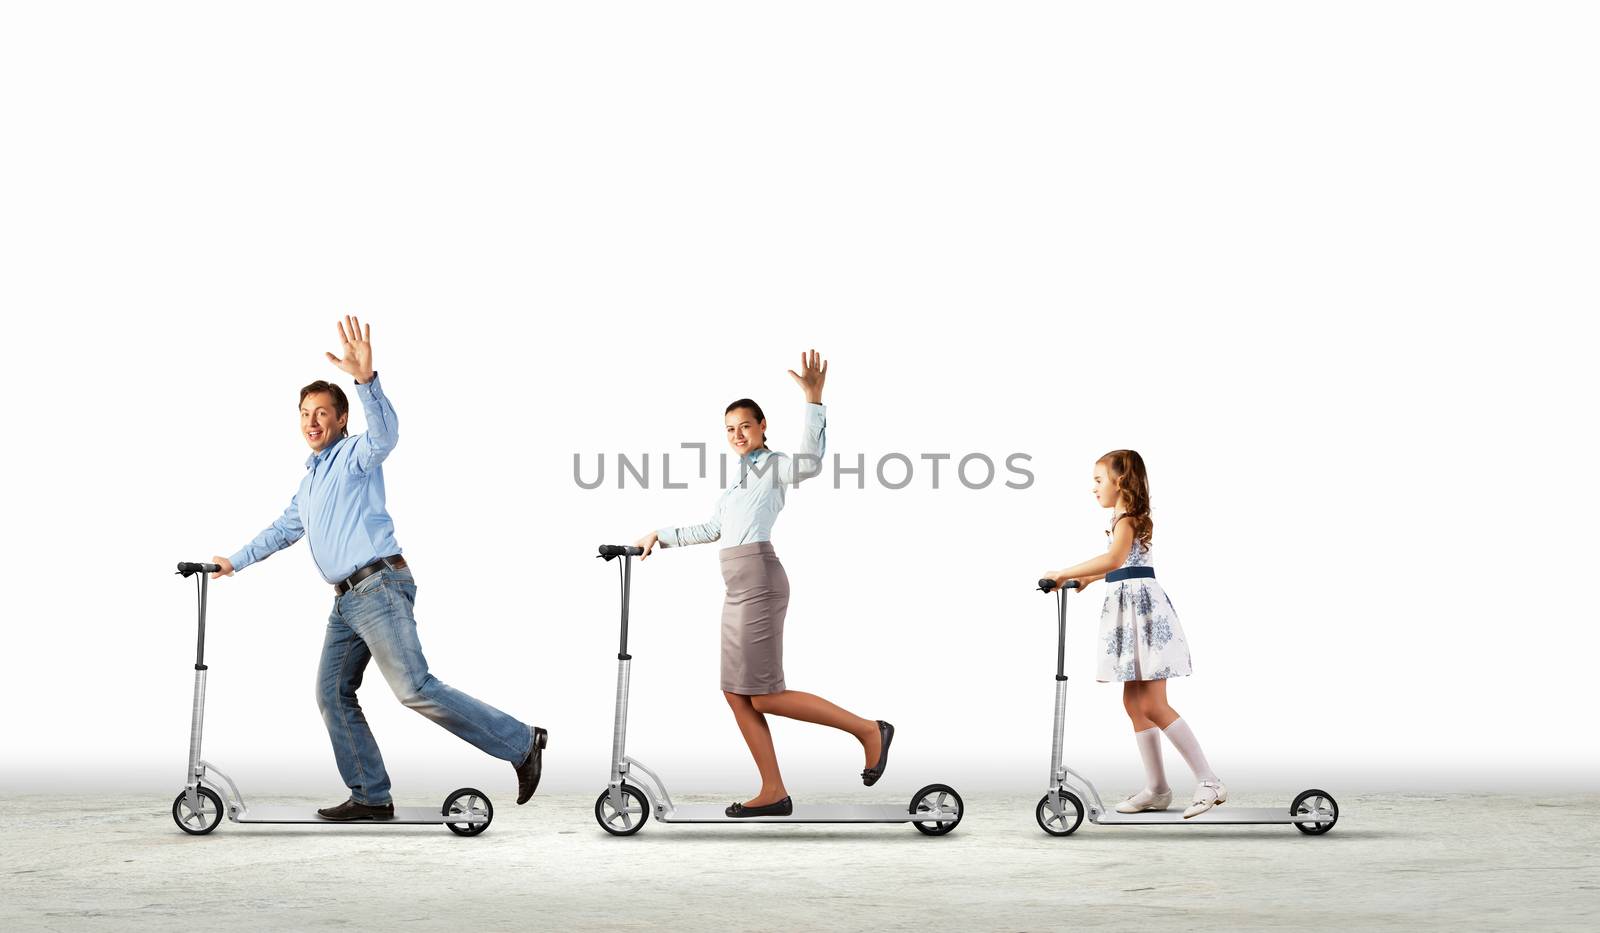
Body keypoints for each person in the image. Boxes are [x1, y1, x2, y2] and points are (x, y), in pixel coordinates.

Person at [210, 316, 547, 820]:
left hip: (379, 587)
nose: (312, 422)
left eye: (322, 412)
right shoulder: (309, 482)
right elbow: (283, 530)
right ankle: (370, 795)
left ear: (341, 419)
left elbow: (385, 437)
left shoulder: (354, 457)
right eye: (305, 413)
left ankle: (521, 741)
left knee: (414, 688)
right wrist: (232, 561)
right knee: (331, 694)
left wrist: (366, 382)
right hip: (347, 602)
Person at [631, 350, 892, 818]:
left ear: (763, 425)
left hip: (760, 582)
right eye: (730, 429)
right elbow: (711, 529)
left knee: (766, 693)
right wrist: (660, 536)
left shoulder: (773, 465)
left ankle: (869, 730)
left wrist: (814, 399)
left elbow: (810, 462)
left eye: (745, 426)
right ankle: (773, 790)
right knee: (736, 692)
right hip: (736, 588)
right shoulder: (737, 480)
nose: (737, 435)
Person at [1043, 449, 1225, 819]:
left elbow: (1113, 559)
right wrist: (1087, 580)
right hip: (1130, 613)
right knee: (1133, 703)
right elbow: (1122, 565)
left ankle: (1209, 781)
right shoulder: (1120, 518)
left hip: (1142, 616)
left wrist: (1063, 572)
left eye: (1098, 480)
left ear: (1120, 481)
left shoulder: (1128, 519)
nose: (1093, 488)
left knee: (1154, 704)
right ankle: (1157, 789)